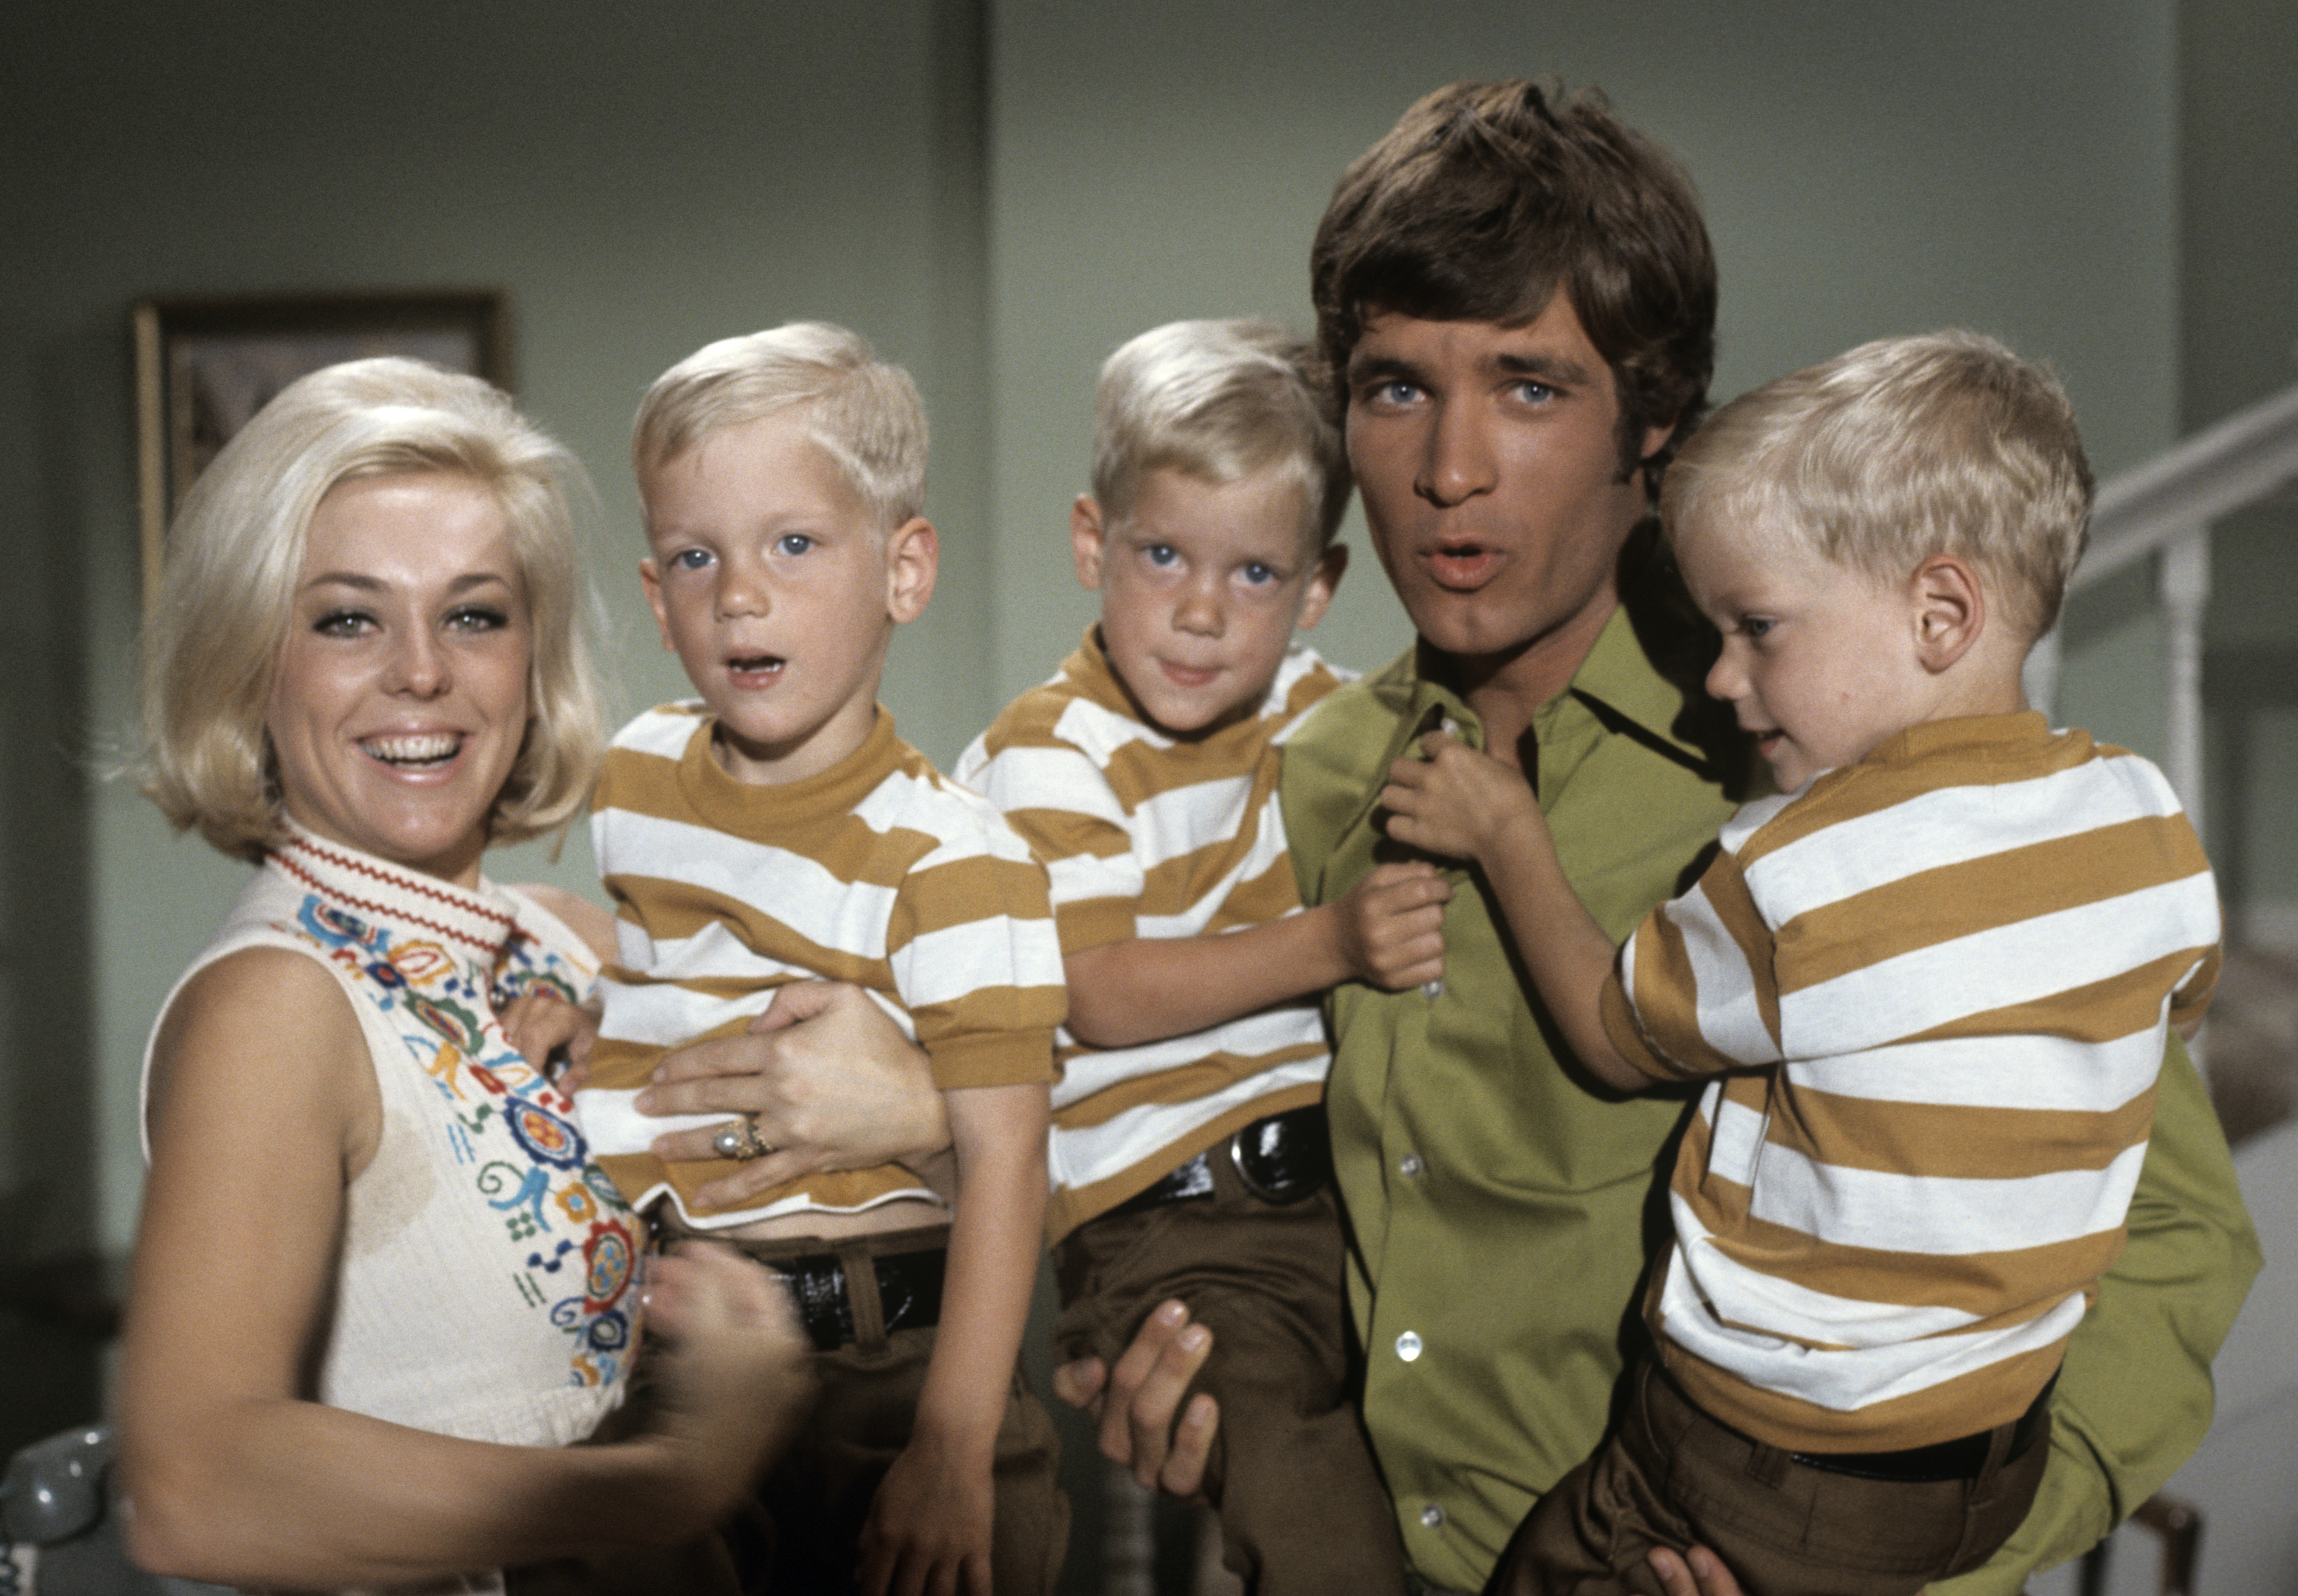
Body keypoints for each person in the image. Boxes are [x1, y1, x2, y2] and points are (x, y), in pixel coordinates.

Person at [1065, 80, 2262, 1596]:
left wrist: (1887, 1555)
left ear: (1657, 423)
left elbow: (2167, 1241)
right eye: (1392, 388)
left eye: (1529, 386)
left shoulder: (1840, 772)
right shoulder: (1319, 776)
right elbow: (1273, 1168)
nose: (1449, 469)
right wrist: (1186, 1353)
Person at [1381, 329, 2223, 1595]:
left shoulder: (1801, 871)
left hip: (1764, 1457)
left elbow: (1615, 1037)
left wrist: (1507, 835)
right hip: (1987, 1470)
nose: (1720, 678)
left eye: (1757, 627)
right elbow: (2172, 1022)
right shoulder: (2149, 822)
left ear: (1941, 613)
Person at [117, 356, 815, 1594]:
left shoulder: (568, 940)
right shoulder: (274, 1005)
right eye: (348, 617)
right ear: (249, 658)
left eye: (475, 613)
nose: (422, 672)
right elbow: (194, 1489)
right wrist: (680, 1477)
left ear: (530, 657)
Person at [570, 322, 1069, 1596]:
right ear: (653, 594)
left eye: (794, 544)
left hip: (891, 1364)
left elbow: (1007, 1157)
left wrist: (953, 1448)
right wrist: (556, 979)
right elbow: (651, 967)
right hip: (668, 1351)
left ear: (906, 571)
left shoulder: (957, 856)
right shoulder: (630, 777)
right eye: (698, 556)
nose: (740, 593)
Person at [955, 318, 1440, 1593]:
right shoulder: (1050, 750)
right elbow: (1101, 992)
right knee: (1316, 1512)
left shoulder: (1323, 712)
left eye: (1255, 575)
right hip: (1177, 1229)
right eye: (1162, 553)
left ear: (1319, 586)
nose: (1201, 611)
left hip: (1344, 1193)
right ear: (1090, 542)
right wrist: (1332, 940)